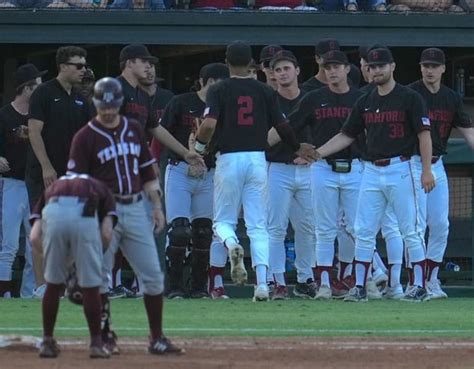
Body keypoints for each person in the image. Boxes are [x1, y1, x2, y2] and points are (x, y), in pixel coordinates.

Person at [67, 77, 183, 354]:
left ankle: (157, 337)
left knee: (153, 276)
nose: (108, 110)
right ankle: (102, 337)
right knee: (99, 277)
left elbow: (147, 171)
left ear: (120, 103)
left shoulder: (132, 129)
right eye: (102, 105)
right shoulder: (85, 136)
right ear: (96, 103)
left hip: (134, 207)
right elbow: (76, 184)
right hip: (100, 212)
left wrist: (156, 206)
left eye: (113, 105)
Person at [194, 41, 317, 302]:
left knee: (223, 222)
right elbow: (282, 125)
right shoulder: (264, 90)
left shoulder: (218, 89)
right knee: (258, 225)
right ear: (251, 63)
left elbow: (208, 125)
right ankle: (261, 284)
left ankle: (231, 247)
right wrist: (296, 147)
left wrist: (199, 147)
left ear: (227, 62)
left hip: (228, 158)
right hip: (258, 159)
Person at [313, 47, 435, 302]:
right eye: (372, 66)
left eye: (381, 66)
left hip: (402, 168)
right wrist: (317, 153)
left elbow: (425, 135)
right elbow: (346, 135)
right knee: (363, 229)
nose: (377, 70)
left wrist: (426, 171)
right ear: (367, 69)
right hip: (370, 169)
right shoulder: (366, 100)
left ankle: (420, 285)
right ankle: (359, 287)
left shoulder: (409, 97)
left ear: (392, 67)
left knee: (410, 230)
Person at [272, 50, 364, 300]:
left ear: (347, 69)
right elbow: (288, 127)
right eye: (327, 67)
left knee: (356, 227)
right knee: (322, 228)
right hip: (320, 168)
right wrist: (258, 145)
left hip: (355, 166)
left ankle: (362, 282)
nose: (331, 71)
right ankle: (320, 282)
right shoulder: (314, 98)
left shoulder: (361, 97)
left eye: (336, 66)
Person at [408, 48, 474, 299]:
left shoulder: (451, 97)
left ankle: (432, 280)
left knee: (440, 225)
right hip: (411, 164)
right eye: (426, 65)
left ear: (443, 69)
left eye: (434, 66)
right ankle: (415, 282)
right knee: (414, 227)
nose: (429, 70)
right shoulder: (411, 92)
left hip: (437, 164)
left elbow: (468, 130)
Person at [159, 63, 229, 299]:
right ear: (205, 82)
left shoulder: (223, 107)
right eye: (216, 84)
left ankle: (198, 286)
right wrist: (183, 152)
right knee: (179, 231)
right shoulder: (181, 102)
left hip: (209, 172)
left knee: (203, 232)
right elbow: (162, 132)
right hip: (181, 168)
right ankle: (174, 286)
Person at [30, 173, 116, 359]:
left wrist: (59, 263)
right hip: (85, 212)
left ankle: (47, 341)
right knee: (92, 286)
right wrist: (90, 261)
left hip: (53, 210)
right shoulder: (100, 186)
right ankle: (96, 344)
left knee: (52, 285)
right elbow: (107, 234)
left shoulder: (53, 187)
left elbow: (34, 237)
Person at [265, 50, 316, 300]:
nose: (283, 73)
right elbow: (263, 140)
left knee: (308, 227)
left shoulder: (311, 98)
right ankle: (277, 281)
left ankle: (305, 279)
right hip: (277, 169)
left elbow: (322, 133)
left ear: (297, 71)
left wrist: (309, 154)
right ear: (272, 75)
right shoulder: (269, 100)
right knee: (275, 228)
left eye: (287, 68)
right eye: (278, 70)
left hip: (308, 170)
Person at [0, 64, 46, 298]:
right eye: (37, 85)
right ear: (26, 88)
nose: (40, 89)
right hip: (11, 183)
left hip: (34, 183)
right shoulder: (4, 114)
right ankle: (4, 294)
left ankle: (30, 293)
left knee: (33, 243)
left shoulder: (39, 113)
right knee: (8, 243)